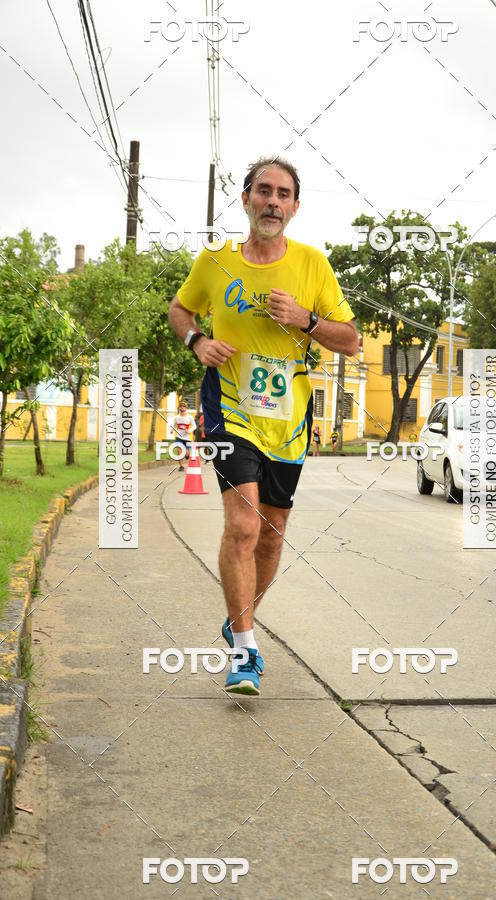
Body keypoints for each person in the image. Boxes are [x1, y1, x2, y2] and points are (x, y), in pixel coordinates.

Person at [168, 156, 359, 695]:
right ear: (246, 198)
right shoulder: (215, 261)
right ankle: (246, 652)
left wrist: (307, 320)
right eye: (263, 191)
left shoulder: (313, 266)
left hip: (290, 422)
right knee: (244, 527)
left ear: (295, 207)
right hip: (229, 411)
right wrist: (197, 342)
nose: (272, 201)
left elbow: (351, 339)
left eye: (283, 194)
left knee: (272, 540)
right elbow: (180, 310)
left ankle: (237, 621)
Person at [172, 401, 195, 471]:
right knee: (179, 451)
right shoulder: (176, 417)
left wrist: (189, 430)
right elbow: (175, 425)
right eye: (181, 406)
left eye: (183, 406)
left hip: (187, 438)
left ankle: (187, 455)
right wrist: (172, 429)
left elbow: (194, 426)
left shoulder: (189, 417)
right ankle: (181, 466)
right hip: (179, 436)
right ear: (179, 408)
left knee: (186, 453)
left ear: (186, 408)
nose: (182, 407)